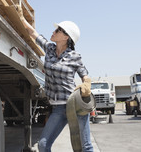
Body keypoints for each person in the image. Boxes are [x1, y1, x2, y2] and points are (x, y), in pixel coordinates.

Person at [20, 13, 94, 152]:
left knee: (85, 146)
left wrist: (86, 84)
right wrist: (22, 19)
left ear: (66, 37)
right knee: (43, 145)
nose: (53, 32)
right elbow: (33, 33)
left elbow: (85, 75)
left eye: (57, 30)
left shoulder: (74, 56)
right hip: (58, 109)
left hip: (74, 105)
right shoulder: (50, 49)